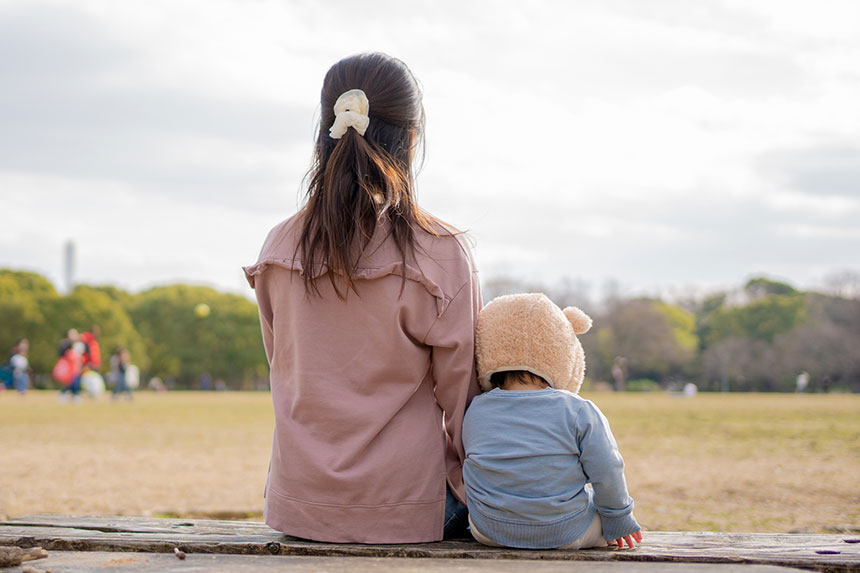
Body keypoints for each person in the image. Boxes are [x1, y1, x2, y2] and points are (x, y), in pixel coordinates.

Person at [243, 53, 481, 544]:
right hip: (410, 509)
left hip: (299, 509)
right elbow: (464, 407)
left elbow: (286, 370)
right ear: (410, 139)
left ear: (326, 128)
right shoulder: (440, 252)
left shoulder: (279, 246)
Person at [463, 293, 643, 550]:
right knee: (598, 511)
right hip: (564, 532)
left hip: (488, 529)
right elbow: (607, 468)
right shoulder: (578, 409)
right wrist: (619, 517)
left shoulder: (476, 409)